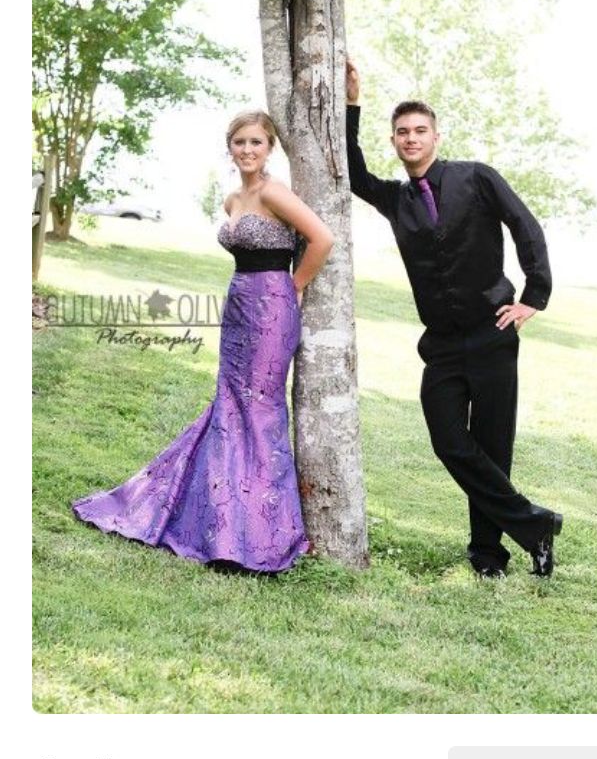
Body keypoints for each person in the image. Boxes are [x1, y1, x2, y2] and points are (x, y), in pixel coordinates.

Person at [73, 111, 334, 573]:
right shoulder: (233, 199)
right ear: (230, 148)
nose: (248, 150)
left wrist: (293, 288)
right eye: (239, 142)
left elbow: (321, 238)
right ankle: (222, 522)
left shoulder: (275, 192)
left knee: (259, 410)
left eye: (256, 142)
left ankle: (260, 532)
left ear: (269, 147)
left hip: (272, 306)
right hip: (238, 305)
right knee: (230, 407)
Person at [345, 61, 562, 578]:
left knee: (492, 446)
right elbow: (352, 173)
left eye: (420, 130)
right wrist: (353, 105)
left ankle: (489, 556)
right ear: (394, 142)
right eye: (402, 132)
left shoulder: (476, 178)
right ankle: (534, 524)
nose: (411, 138)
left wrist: (535, 294)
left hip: (494, 334)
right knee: (449, 441)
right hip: (440, 344)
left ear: (436, 136)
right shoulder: (396, 200)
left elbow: (525, 226)